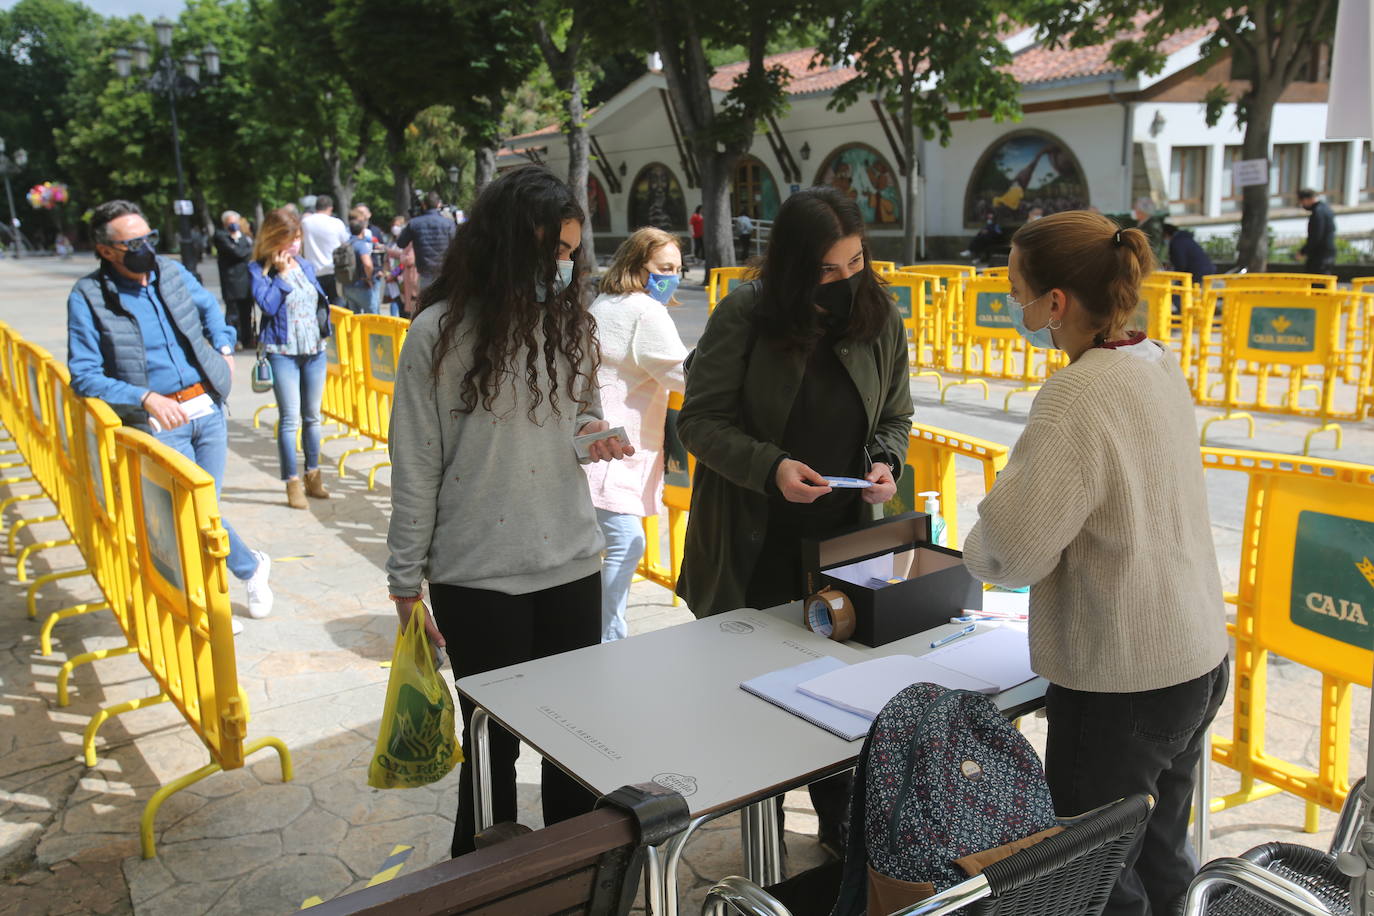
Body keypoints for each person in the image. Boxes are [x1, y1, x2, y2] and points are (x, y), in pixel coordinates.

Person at [962, 210, 1229, 916]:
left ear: (1055, 303)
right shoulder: (1154, 359)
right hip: (1194, 655)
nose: (1013, 302)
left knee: (1100, 876)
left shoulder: (1076, 395)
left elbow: (1012, 550)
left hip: (1122, 681)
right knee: (1163, 849)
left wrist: (973, 546)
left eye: (1017, 288)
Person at [386, 165, 634, 858]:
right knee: (491, 756)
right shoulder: (435, 335)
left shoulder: (570, 328)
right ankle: (481, 888)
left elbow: (580, 419)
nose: (561, 267)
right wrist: (404, 581)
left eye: (569, 253)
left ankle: (577, 885)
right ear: (504, 247)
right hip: (478, 579)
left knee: (574, 752)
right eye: (549, 251)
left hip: (572, 566)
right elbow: (416, 467)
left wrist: (597, 438)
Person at [675, 186, 912, 854]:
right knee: (758, 706)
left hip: (843, 543)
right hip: (756, 545)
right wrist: (771, 466)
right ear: (790, 267)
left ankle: (841, 822)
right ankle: (760, 833)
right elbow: (699, 422)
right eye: (826, 271)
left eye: (854, 264)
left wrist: (886, 463)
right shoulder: (745, 315)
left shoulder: (879, 315)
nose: (842, 283)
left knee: (842, 699)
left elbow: (895, 413)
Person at [66, 199, 273, 628]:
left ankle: (245, 571)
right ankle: (221, 593)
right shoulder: (88, 296)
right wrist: (143, 397)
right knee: (189, 515)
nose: (146, 248)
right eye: (133, 242)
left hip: (207, 407)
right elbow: (83, 375)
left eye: (149, 238)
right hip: (159, 422)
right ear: (106, 250)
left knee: (205, 510)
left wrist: (222, 342)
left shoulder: (171, 272)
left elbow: (209, 309)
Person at [583, 228, 689, 642]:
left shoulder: (604, 302)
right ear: (636, 265)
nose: (673, 277)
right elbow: (682, 374)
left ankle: (599, 631)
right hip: (616, 451)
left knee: (607, 545)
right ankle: (607, 636)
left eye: (679, 269)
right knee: (626, 543)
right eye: (664, 268)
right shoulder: (645, 312)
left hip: (593, 444)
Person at [248, 208, 332, 509]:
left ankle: (314, 475)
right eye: (289, 238)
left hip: (314, 351)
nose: (294, 245)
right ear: (273, 238)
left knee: (313, 417)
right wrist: (281, 276)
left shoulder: (307, 266)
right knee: (289, 420)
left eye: (297, 238)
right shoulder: (258, 270)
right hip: (281, 353)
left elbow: (319, 301)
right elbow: (267, 307)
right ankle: (291, 483)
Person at [395, 191, 457, 293]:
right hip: (444, 270)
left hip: (425, 271)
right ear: (439, 204)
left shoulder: (414, 223)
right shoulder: (448, 223)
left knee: (427, 303)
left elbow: (400, 243)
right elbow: (456, 245)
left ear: (424, 205)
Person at [214, 210, 256, 349]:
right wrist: (245, 250)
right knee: (233, 314)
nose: (233, 225)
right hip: (231, 282)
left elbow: (247, 252)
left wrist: (241, 246)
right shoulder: (221, 236)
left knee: (246, 312)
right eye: (230, 222)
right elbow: (238, 253)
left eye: (235, 222)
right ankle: (234, 339)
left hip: (245, 281)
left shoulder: (242, 236)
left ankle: (247, 338)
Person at [300, 194, 350, 304]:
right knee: (337, 303)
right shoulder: (336, 223)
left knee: (318, 304)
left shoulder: (305, 223)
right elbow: (345, 243)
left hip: (313, 271)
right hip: (333, 269)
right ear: (330, 208)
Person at [342, 213, 376, 315]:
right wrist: (369, 278)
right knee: (372, 315)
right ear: (362, 231)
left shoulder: (345, 244)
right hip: (361, 285)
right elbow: (368, 264)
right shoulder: (361, 245)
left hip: (347, 286)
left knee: (355, 317)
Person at [1297, 188, 1336, 275]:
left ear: (1308, 199)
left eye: (1302, 202)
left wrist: (1303, 251)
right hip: (1328, 252)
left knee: (1315, 282)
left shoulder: (1318, 212)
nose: (1302, 205)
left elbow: (1315, 236)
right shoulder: (1326, 209)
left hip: (1319, 255)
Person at [1131, 196, 1166, 261]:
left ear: (1142, 210)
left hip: (1148, 261)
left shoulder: (1153, 224)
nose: (1134, 210)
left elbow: (1155, 246)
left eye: (1135, 208)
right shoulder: (1141, 223)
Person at [689, 204, 705, 272]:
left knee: (703, 247)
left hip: (703, 235)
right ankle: (696, 259)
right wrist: (692, 232)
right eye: (701, 209)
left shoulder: (704, 216)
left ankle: (703, 259)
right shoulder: (695, 216)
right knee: (697, 246)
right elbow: (691, 225)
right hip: (697, 234)